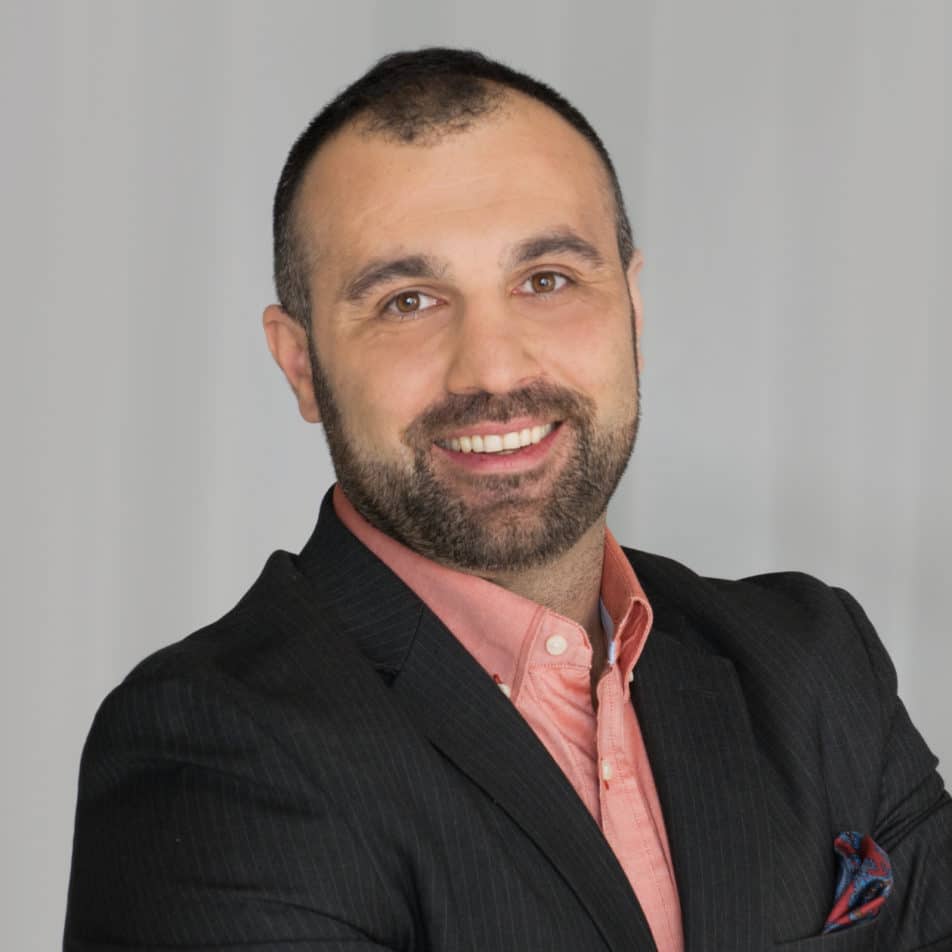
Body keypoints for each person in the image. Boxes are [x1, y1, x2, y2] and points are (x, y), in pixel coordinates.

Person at [64, 48, 951, 952]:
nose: (492, 369)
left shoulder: (813, 667)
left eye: (547, 281)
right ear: (301, 365)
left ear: (632, 310)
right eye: (408, 301)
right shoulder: (209, 750)